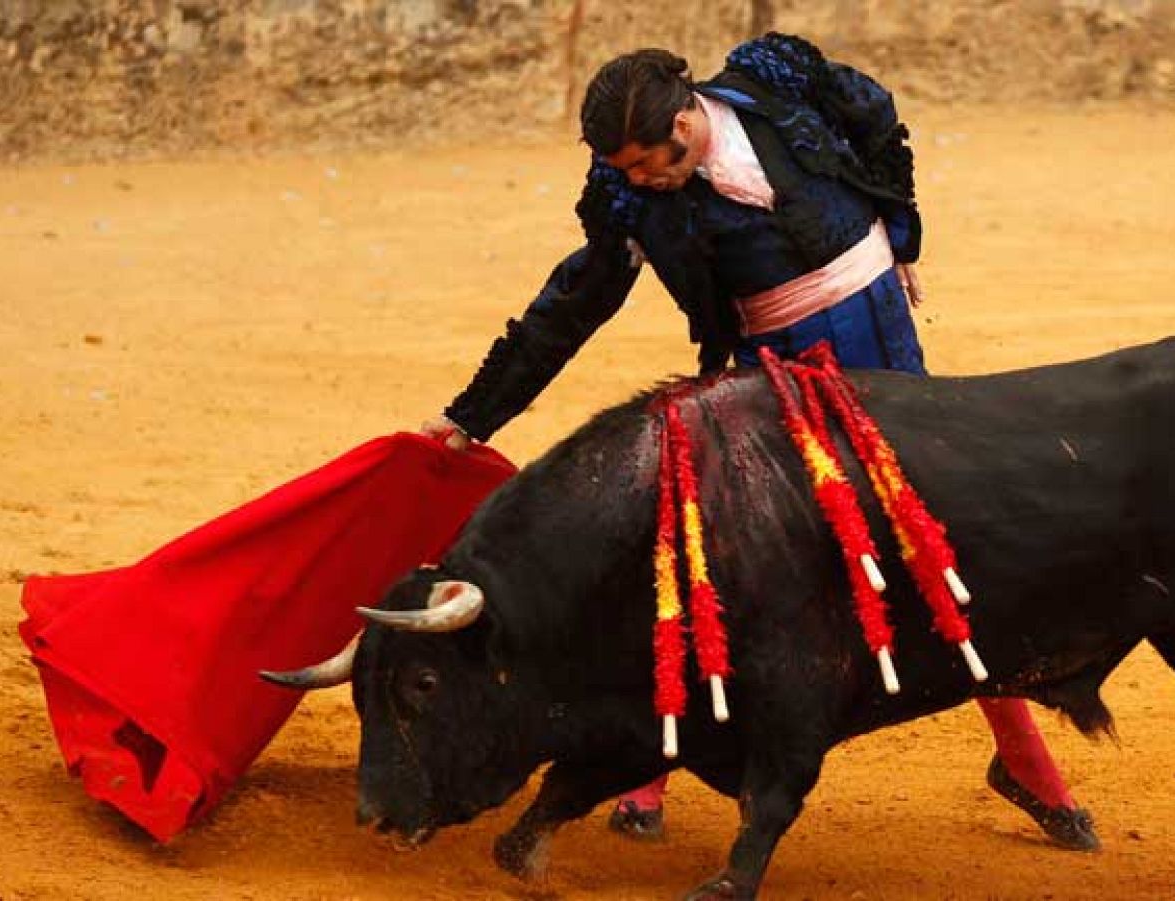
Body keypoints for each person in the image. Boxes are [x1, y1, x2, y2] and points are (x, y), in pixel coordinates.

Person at [419, 32, 1099, 852]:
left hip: (887, 356)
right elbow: (571, 307)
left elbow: (879, 118)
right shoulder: (632, 198)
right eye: (624, 170)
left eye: (643, 163)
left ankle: (1026, 764)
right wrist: (473, 414)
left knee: (934, 549)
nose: (635, 181)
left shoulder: (777, 81)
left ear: (683, 122)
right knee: (716, 565)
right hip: (775, 388)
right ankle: (648, 770)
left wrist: (900, 227)